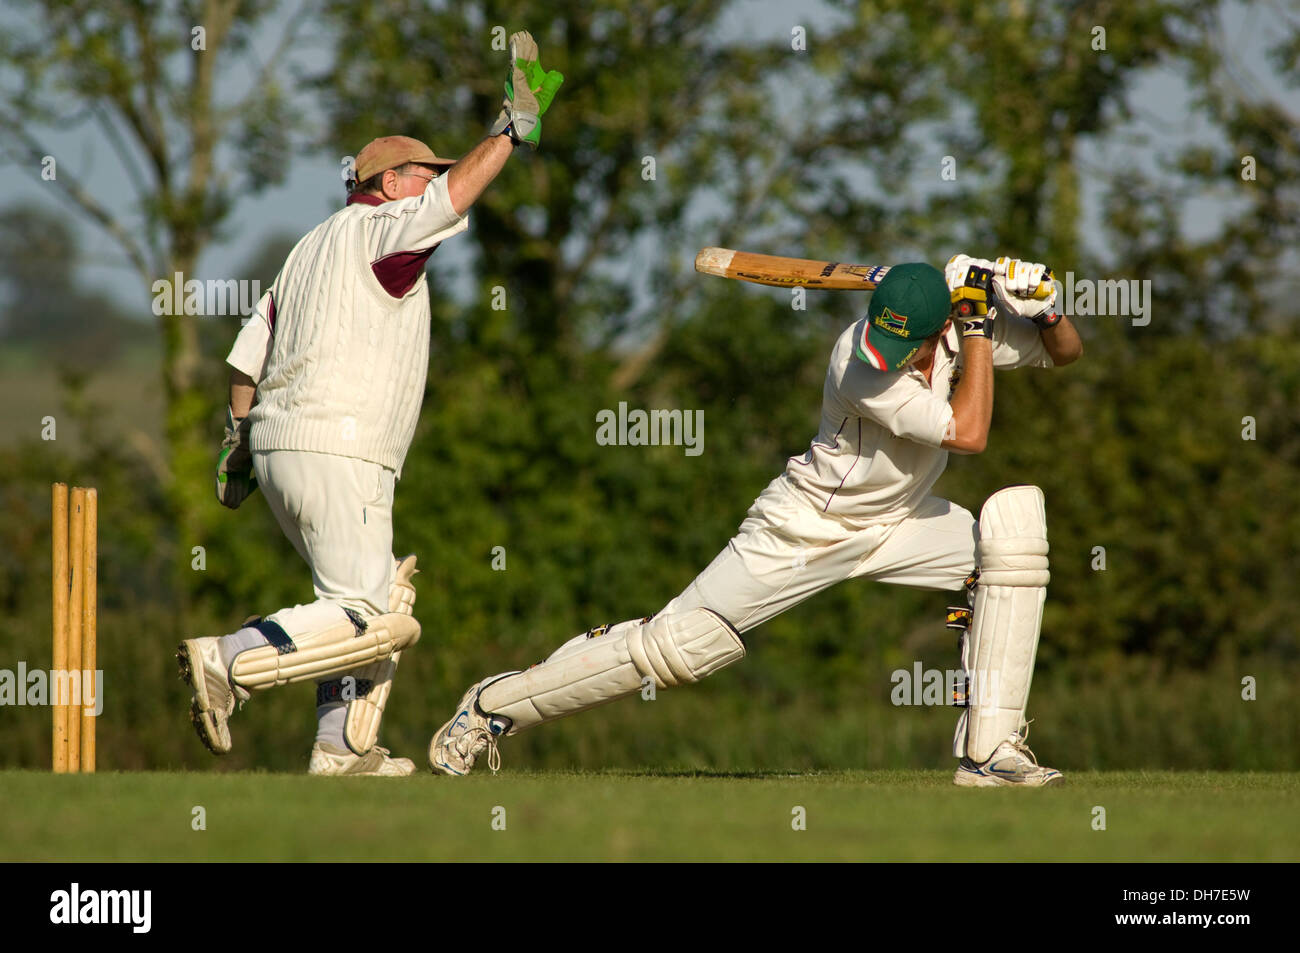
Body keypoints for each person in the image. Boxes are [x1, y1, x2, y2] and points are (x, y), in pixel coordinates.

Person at [430, 256, 1083, 786]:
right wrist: (975, 324)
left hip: (902, 519)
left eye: (904, 342)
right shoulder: (860, 363)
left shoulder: (957, 331)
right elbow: (968, 434)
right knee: (679, 649)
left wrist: (1045, 305)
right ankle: (493, 705)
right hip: (805, 529)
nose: (889, 350)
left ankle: (991, 752)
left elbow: (1065, 352)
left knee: (1010, 541)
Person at [179, 32, 564, 775]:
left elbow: (245, 356)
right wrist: (510, 130)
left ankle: (338, 748)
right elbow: (458, 197)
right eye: (424, 173)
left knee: (369, 593)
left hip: (282, 447)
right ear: (389, 184)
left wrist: (237, 439)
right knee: (367, 612)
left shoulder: (306, 250)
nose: (435, 184)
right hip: (342, 448)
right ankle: (226, 659)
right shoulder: (386, 231)